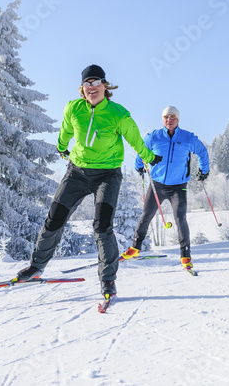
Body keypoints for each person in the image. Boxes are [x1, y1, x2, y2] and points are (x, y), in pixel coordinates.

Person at [15, 65, 162, 297]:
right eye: (87, 83)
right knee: (54, 219)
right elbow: (65, 130)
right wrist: (62, 147)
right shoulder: (73, 108)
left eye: (96, 83)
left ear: (105, 86)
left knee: (102, 227)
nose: (92, 87)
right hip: (77, 173)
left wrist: (150, 157)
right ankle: (36, 267)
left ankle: (108, 280)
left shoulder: (118, 114)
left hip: (107, 175)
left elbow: (135, 140)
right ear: (82, 89)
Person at [121, 105, 210, 271]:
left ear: (178, 119)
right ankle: (134, 248)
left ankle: (185, 256)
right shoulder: (154, 137)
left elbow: (202, 152)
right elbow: (141, 149)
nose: (170, 120)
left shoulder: (187, 138)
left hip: (178, 186)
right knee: (146, 216)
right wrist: (138, 165)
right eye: (166, 117)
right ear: (163, 119)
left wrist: (204, 170)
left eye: (173, 117)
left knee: (180, 219)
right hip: (157, 185)